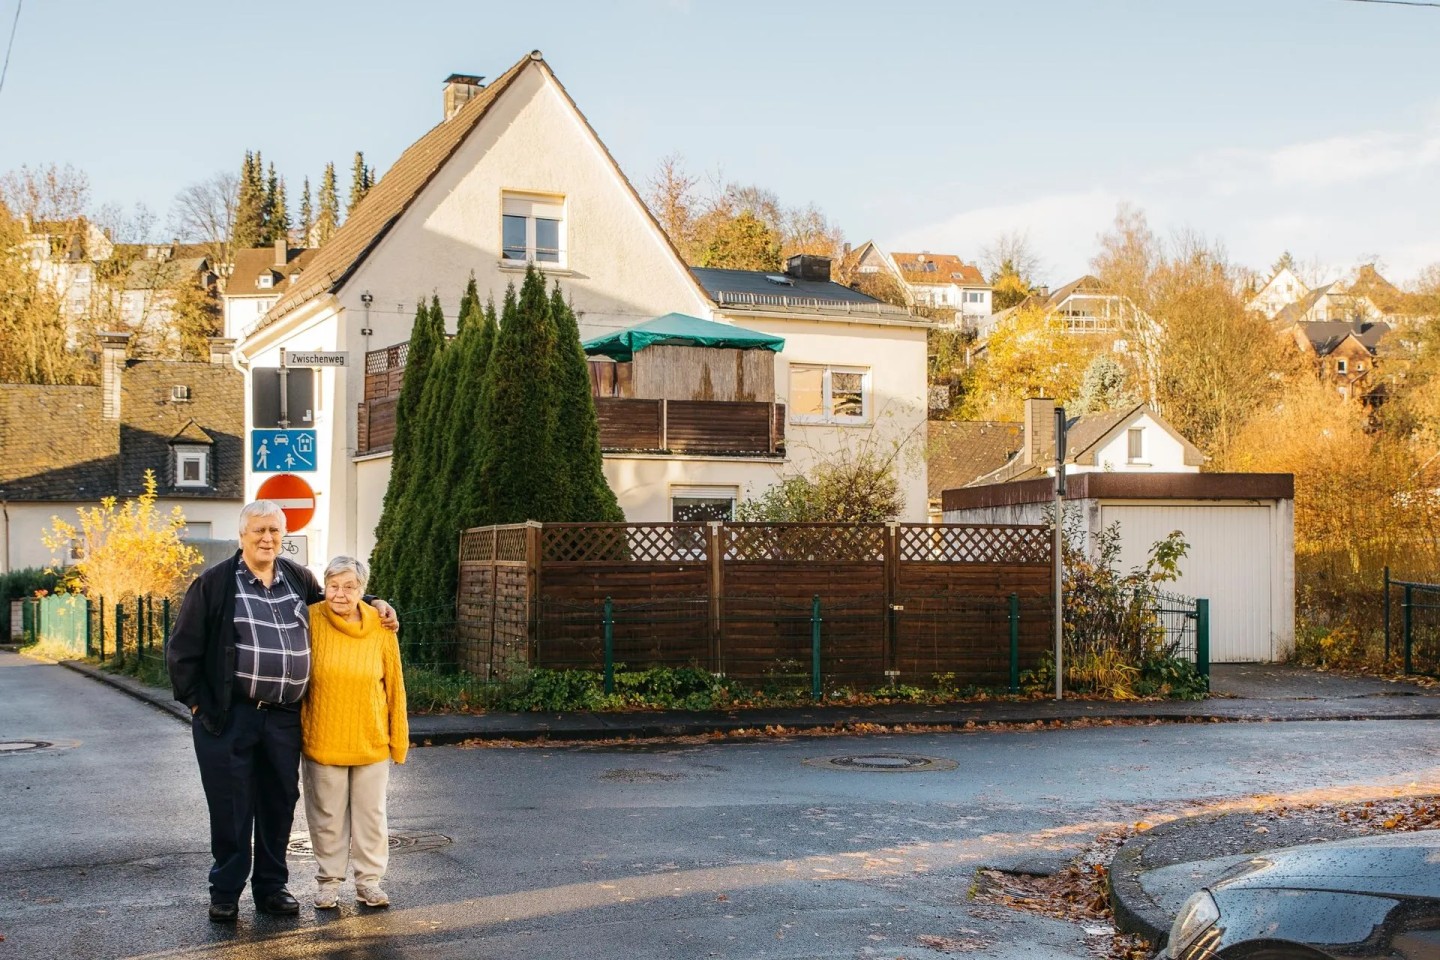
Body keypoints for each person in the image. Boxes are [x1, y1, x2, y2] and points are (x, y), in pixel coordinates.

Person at [167, 501, 399, 922]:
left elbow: (338, 603)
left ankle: (272, 887)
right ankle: (225, 891)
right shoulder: (215, 584)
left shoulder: (297, 578)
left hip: (283, 717)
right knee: (231, 805)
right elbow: (182, 650)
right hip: (229, 715)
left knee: (278, 802)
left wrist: (378, 602)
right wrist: (200, 704)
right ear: (242, 536)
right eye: (259, 531)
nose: (267, 539)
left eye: (274, 531)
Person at [301, 556, 408, 909]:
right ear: (324, 586)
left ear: (362, 590)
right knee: (327, 817)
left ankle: (369, 882)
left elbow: (394, 684)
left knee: (371, 816)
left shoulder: (381, 625)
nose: (340, 594)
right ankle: (328, 883)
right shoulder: (311, 619)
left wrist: (399, 739)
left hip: (370, 737)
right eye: (333, 585)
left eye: (349, 587)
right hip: (323, 736)